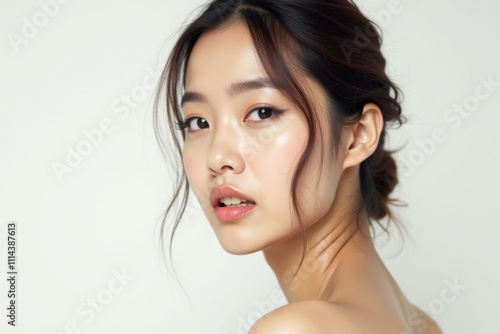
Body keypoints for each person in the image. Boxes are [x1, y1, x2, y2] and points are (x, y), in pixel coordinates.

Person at [153, 0, 442, 333]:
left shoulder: (297, 329)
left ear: (358, 136)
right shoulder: (420, 324)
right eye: (198, 121)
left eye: (262, 112)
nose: (217, 158)